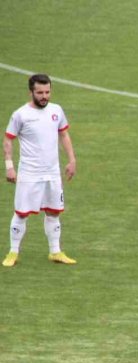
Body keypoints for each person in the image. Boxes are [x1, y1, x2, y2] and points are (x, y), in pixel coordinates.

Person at [4, 74, 78, 267]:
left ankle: (55, 252)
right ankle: (13, 252)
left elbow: (64, 134)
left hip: (52, 173)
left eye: (47, 92)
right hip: (29, 173)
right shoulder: (20, 114)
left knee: (54, 212)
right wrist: (9, 167)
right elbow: (8, 140)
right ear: (31, 92)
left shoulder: (56, 111)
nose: (44, 96)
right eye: (40, 93)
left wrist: (72, 160)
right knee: (21, 213)